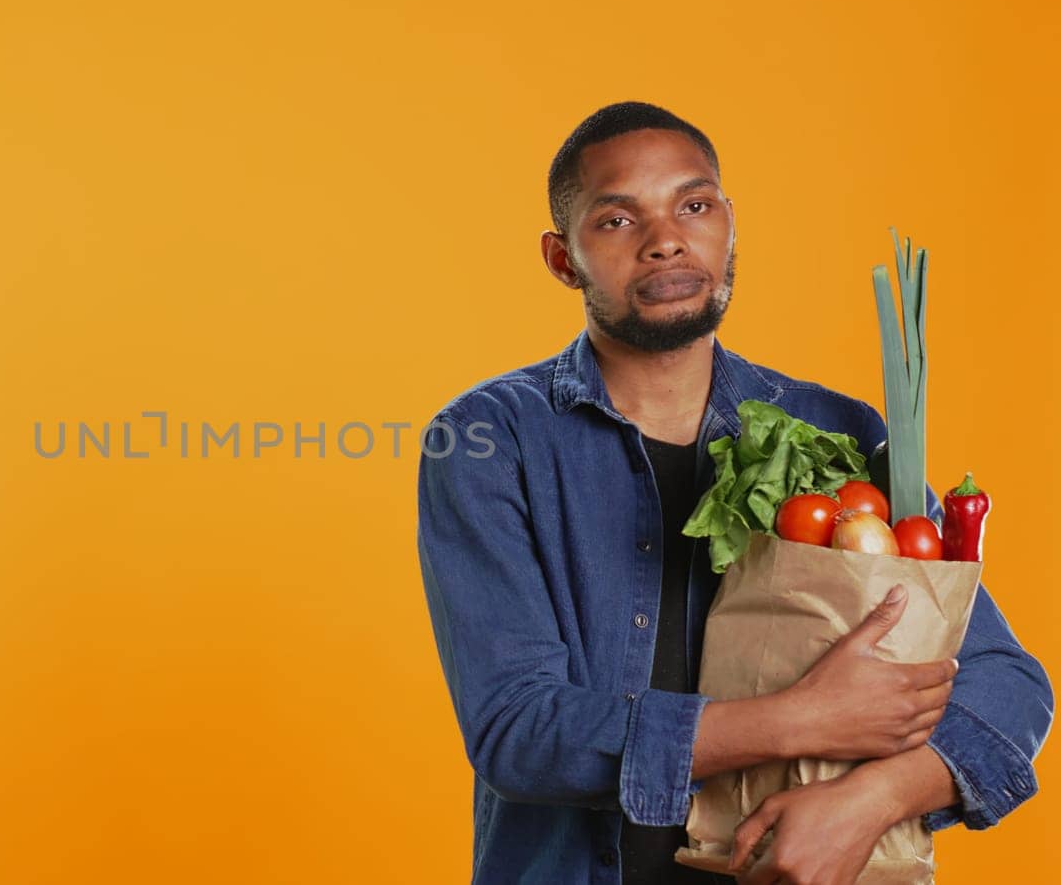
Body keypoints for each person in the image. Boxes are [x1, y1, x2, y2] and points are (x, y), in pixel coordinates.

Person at [414, 101, 1053, 885]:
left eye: (694, 204)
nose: (667, 240)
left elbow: (1009, 683)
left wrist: (873, 801)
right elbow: (521, 731)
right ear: (561, 259)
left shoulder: (837, 431)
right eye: (617, 220)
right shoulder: (489, 439)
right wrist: (798, 721)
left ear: (728, 222)